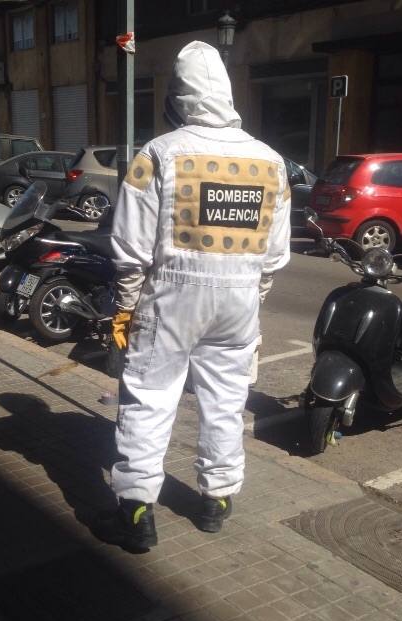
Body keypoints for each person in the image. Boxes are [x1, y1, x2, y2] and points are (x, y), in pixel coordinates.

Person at [94, 41, 291, 552]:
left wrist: (125, 307)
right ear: (225, 92)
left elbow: (131, 249)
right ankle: (216, 500)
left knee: (149, 400)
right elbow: (274, 255)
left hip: (171, 300)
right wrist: (254, 299)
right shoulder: (272, 163)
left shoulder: (158, 154)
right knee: (226, 402)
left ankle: (136, 508)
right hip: (239, 304)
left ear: (179, 97)